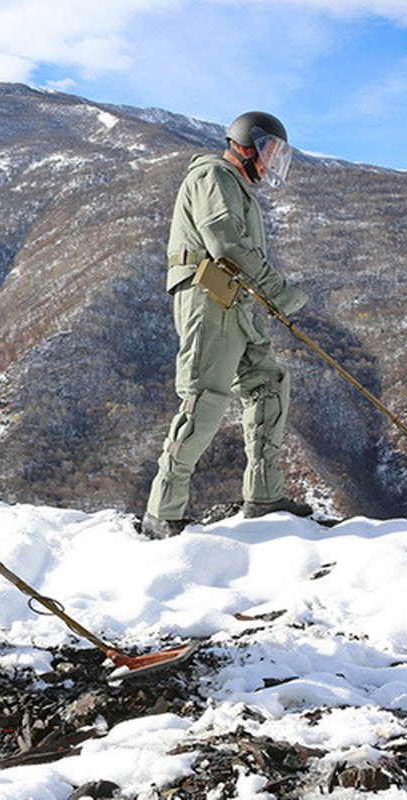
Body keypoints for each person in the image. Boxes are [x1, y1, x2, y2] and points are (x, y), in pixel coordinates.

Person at [142, 111, 313, 539]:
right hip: (208, 296)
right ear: (246, 143)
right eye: (269, 150)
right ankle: (164, 511)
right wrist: (279, 291)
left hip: (233, 298)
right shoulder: (213, 176)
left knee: (268, 383)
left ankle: (265, 495)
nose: (272, 161)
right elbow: (226, 243)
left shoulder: (236, 186)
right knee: (206, 397)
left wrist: (266, 294)